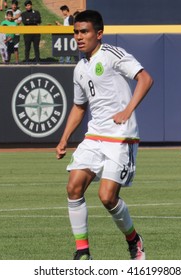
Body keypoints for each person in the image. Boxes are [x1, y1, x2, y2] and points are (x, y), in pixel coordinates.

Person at [56, 10, 153, 260]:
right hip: (94, 136)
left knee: (107, 197)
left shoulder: (112, 54)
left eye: (84, 32)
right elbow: (79, 107)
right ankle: (83, 252)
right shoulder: (79, 68)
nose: (79, 37)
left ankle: (134, 240)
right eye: (76, 32)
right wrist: (65, 138)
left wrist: (127, 110)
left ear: (99, 34)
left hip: (121, 137)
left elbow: (145, 79)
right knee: (73, 187)